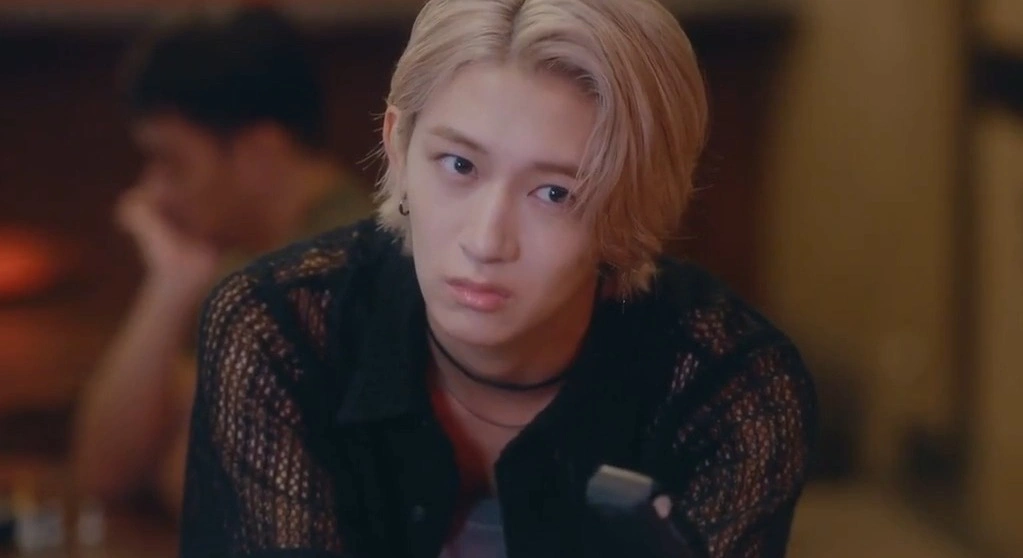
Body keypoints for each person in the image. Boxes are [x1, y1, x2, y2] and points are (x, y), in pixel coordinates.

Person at [179, 0, 818, 556]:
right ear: (398, 144)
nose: (486, 241)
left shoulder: (730, 387)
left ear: (634, 202)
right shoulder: (280, 329)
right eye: (459, 164)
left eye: (556, 193)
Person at [72, 6, 375, 517]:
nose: (152, 192)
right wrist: (170, 286)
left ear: (259, 152)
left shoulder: (349, 270)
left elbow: (198, 483)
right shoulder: (231, 257)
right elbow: (104, 469)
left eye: (173, 163)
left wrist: (182, 409)